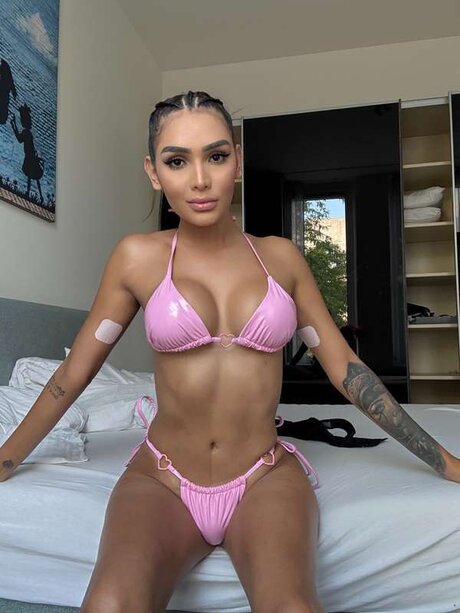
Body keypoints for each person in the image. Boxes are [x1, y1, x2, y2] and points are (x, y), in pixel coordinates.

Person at [1, 90, 459, 613]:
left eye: (216, 156)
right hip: (163, 479)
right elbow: (74, 374)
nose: (200, 179)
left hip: (263, 477)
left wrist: (445, 461)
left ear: (236, 160)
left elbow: (347, 371)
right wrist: (6, 459)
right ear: (154, 172)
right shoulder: (136, 259)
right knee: (109, 604)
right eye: (177, 161)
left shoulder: (281, 259)